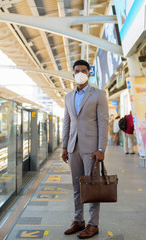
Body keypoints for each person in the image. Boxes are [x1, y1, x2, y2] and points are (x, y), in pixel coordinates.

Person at [62, 60, 109, 239]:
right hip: (73, 148)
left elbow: (103, 123)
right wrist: (64, 146)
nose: (80, 73)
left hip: (91, 150)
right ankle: (78, 220)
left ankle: (93, 224)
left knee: (92, 186)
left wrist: (101, 148)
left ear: (89, 73)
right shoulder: (68, 97)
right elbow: (67, 123)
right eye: (77, 71)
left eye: (83, 70)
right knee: (76, 186)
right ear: (73, 74)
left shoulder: (98, 94)